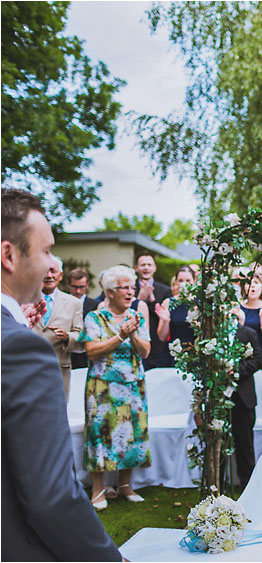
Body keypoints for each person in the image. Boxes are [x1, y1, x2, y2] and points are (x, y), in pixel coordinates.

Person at [1, 188, 122, 560]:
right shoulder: (22, 350)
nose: (53, 264)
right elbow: (52, 499)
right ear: (8, 255)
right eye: (46, 250)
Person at [80, 265, 152, 509]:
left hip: (133, 382)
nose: (131, 292)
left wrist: (132, 335)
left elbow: (145, 351)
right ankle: (98, 489)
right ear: (110, 292)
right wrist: (120, 335)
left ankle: (125, 485)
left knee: (133, 433)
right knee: (99, 433)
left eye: (133, 287)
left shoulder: (137, 317)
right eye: (125, 288)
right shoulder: (94, 318)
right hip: (102, 385)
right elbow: (92, 351)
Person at [32, 255, 84, 400]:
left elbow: (81, 340)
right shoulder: (24, 300)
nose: (49, 275)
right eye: (45, 271)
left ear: (60, 276)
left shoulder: (74, 303)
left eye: (53, 271)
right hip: (29, 369)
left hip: (58, 371)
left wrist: (68, 337)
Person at [230, 305, 262, 486]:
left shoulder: (248, 333)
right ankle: (221, 482)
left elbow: (258, 361)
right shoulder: (212, 335)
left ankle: (247, 483)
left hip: (243, 396)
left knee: (245, 443)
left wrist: (234, 370)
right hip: (221, 396)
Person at [134, 253, 172, 369]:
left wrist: (152, 300)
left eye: (149, 265)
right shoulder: (131, 288)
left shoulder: (165, 290)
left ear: (154, 268)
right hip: (136, 341)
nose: (146, 268)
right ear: (136, 268)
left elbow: (166, 318)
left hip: (157, 343)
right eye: (143, 265)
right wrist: (139, 299)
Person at [155, 265, 197, 367]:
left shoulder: (199, 303)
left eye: (188, 280)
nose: (184, 284)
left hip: (194, 353)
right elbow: (162, 337)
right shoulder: (169, 302)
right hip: (173, 353)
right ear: (176, 282)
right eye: (181, 280)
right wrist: (165, 320)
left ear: (194, 281)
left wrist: (196, 325)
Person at [68, 268, 100, 369]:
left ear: (87, 285)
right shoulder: (62, 303)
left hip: (87, 358)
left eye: (81, 287)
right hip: (67, 355)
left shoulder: (95, 305)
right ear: (69, 284)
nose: (78, 291)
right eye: (75, 287)